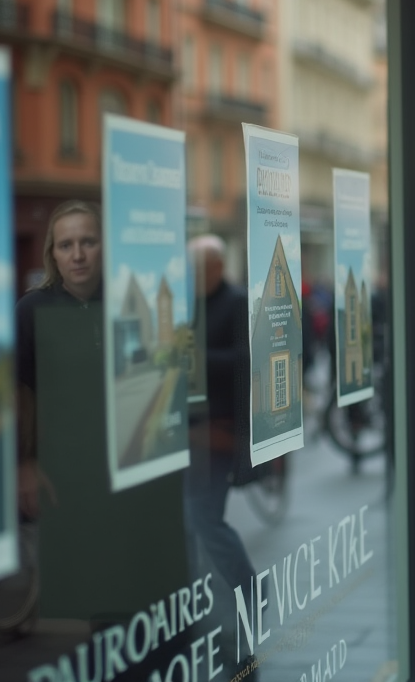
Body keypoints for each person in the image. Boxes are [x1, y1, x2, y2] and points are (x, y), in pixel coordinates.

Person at [14, 200, 103, 518]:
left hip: (115, 469)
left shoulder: (124, 304)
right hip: (55, 471)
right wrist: (23, 463)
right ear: (53, 253)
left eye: (87, 242)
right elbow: (16, 394)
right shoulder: (32, 309)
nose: (77, 255)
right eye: (66, 245)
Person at [184, 234, 257, 594]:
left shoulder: (237, 302)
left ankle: (249, 589)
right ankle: (190, 601)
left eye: (195, 268)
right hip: (187, 430)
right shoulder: (188, 304)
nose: (189, 274)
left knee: (204, 519)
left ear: (217, 267)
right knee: (188, 520)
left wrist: (195, 357)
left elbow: (246, 360)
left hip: (220, 431)